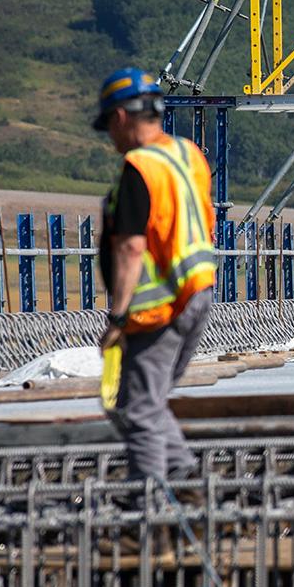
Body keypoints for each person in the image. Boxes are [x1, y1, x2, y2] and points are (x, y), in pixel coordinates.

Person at [93, 67, 216, 486]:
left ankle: (147, 517)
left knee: (139, 409)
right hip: (198, 292)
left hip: (159, 306)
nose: (111, 136)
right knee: (149, 402)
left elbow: (130, 247)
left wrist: (118, 317)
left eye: (109, 124)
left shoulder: (139, 167)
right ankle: (185, 489)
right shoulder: (187, 155)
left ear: (122, 118)